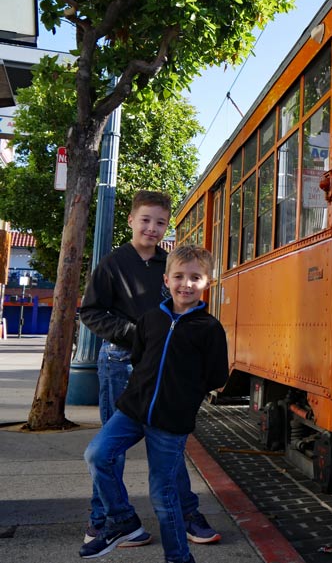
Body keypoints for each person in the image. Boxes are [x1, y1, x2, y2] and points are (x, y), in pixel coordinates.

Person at [80, 190, 220, 547]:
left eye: (160, 222)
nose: (152, 228)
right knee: (110, 451)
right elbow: (90, 312)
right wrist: (134, 333)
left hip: (168, 366)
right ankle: (107, 519)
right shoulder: (112, 264)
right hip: (120, 362)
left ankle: (187, 514)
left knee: (168, 449)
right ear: (131, 220)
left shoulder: (171, 263)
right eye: (145, 220)